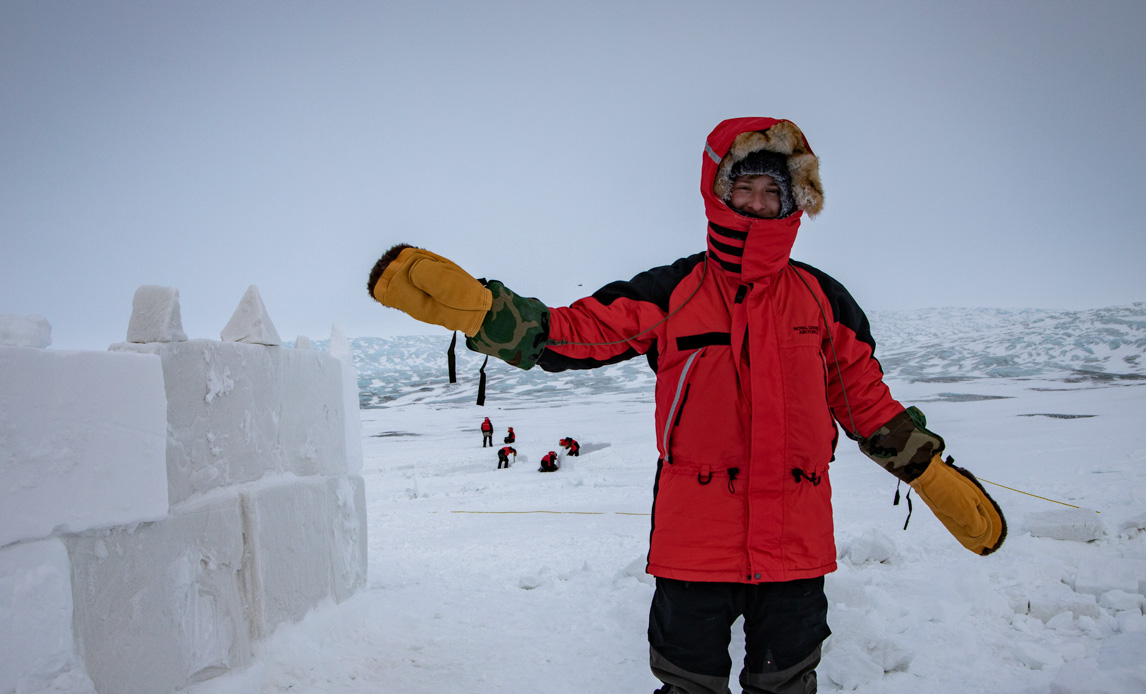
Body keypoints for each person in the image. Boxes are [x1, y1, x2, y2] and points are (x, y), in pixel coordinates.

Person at [367, 116, 1006, 694]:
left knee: (787, 683)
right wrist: (488, 313)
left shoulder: (823, 301)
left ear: (794, 201)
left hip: (794, 542)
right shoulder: (673, 291)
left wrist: (930, 473)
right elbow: (575, 334)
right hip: (696, 542)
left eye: (773, 191)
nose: (758, 203)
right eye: (745, 187)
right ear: (719, 192)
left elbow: (867, 404)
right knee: (688, 685)